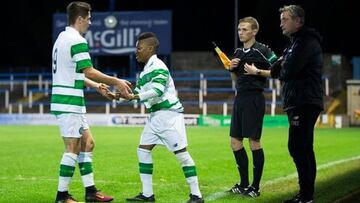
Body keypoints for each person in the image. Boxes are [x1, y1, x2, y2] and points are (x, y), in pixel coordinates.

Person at [51, 2, 132, 203]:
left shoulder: (62, 38)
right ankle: (62, 196)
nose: (90, 21)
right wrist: (117, 81)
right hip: (68, 101)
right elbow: (89, 70)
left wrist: (96, 86)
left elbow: (74, 71)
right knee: (72, 149)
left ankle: (90, 192)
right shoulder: (76, 40)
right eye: (88, 18)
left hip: (71, 101)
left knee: (88, 143)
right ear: (80, 19)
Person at [244, 5, 323, 203]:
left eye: (285, 19)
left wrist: (282, 65)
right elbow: (276, 69)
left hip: (304, 101)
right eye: (281, 19)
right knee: (302, 147)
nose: (281, 24)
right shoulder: (294, 43)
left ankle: (305, 196)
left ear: (298, 21)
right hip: (298, 101)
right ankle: (306, 195)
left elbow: (287, 71)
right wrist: (277, 67)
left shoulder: (305, 42)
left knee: (298, 146)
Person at [117, 32, 204, 203]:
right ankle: (147, 194)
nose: (136, 51)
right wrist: (114, 96)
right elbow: (135, 93)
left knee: (181, 154)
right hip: (155, 116)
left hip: (168, 116)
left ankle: (196, 195)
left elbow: (156, 91)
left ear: (150, 49)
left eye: (139, 48)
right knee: (142, 150)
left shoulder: (159, 66)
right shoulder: (145, 72)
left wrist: (133, 97)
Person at [226, 17, 278, 198]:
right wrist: (232, 70)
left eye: (245, 29)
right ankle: (243, 184)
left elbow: (279, 70)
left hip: (254, 99)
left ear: (254, 31)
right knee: (235, 142)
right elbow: (236, 81)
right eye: (239, 29)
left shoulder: (263, 50)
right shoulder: (238, 52)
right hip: (240, 98)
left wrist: (258, 72)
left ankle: (255, 187)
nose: (241, 32)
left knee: (253, 141)